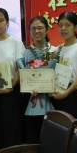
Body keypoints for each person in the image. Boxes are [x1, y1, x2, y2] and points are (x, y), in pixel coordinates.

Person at [0, 8, 26, 153]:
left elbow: (21, 68)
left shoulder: (16, 42)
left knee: (12, 130)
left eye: (1, 20)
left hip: (12, 92)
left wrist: (11, 87)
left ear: (7, 23)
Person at [22, 16, 57, 144]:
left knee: (50, 139)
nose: (36, 31)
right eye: (33, 28)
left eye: (40, 28)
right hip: (31, 100)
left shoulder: (54, 51)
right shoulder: (27, 52)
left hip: (51, 99)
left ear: (47, 30)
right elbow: (25, 74)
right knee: (32, 139)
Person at [51, 11, 77, 121]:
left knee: (73, 127)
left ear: (76, 27)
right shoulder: (59, 48)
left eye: (68, 25)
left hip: (73, 95)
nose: (63, 28)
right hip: (59, 92)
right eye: (60, 25)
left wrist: (66, 93)